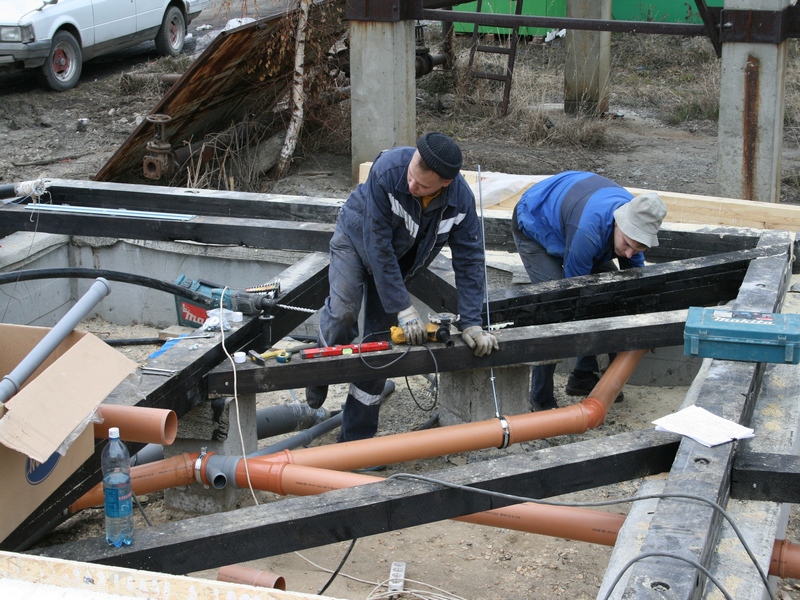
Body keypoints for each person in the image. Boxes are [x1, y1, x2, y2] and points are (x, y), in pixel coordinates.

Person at [305, 132, 499, 441]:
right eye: (411, 177)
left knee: (379, 348)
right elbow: (377, 245)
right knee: (343, 312)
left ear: (445, 183)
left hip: (399, 263)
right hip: (355, 239)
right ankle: (318, 371)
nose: (411, 187)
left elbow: (470, 262)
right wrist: (403, 308)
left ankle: (356, 441)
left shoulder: (460, 202)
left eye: (421, 186)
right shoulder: (388, 170)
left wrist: (473, 321)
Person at [511, 170, 667, 411]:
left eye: (637, 249)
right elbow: (576, 297)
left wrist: (646, 321)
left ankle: (583, 377)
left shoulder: (635, 222)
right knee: (556, 307)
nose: (629, 254)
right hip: (536, 219)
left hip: (576, 216)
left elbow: (634, 286)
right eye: (627, 244)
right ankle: (540, 398)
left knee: (612, 295)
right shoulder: (588, 232)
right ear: (618, 223)